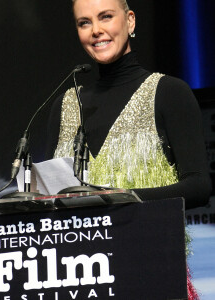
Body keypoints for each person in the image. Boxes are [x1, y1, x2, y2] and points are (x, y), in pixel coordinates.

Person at [45, 0, 211, 298]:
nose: (96, 30)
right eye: (84, 23)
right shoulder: (65, 105)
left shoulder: (169, 93)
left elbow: (199, 186)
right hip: (77, 277)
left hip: (151, 271)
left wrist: (115, 200)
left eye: (105, 17)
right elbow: (47, 197)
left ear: (130, 21)